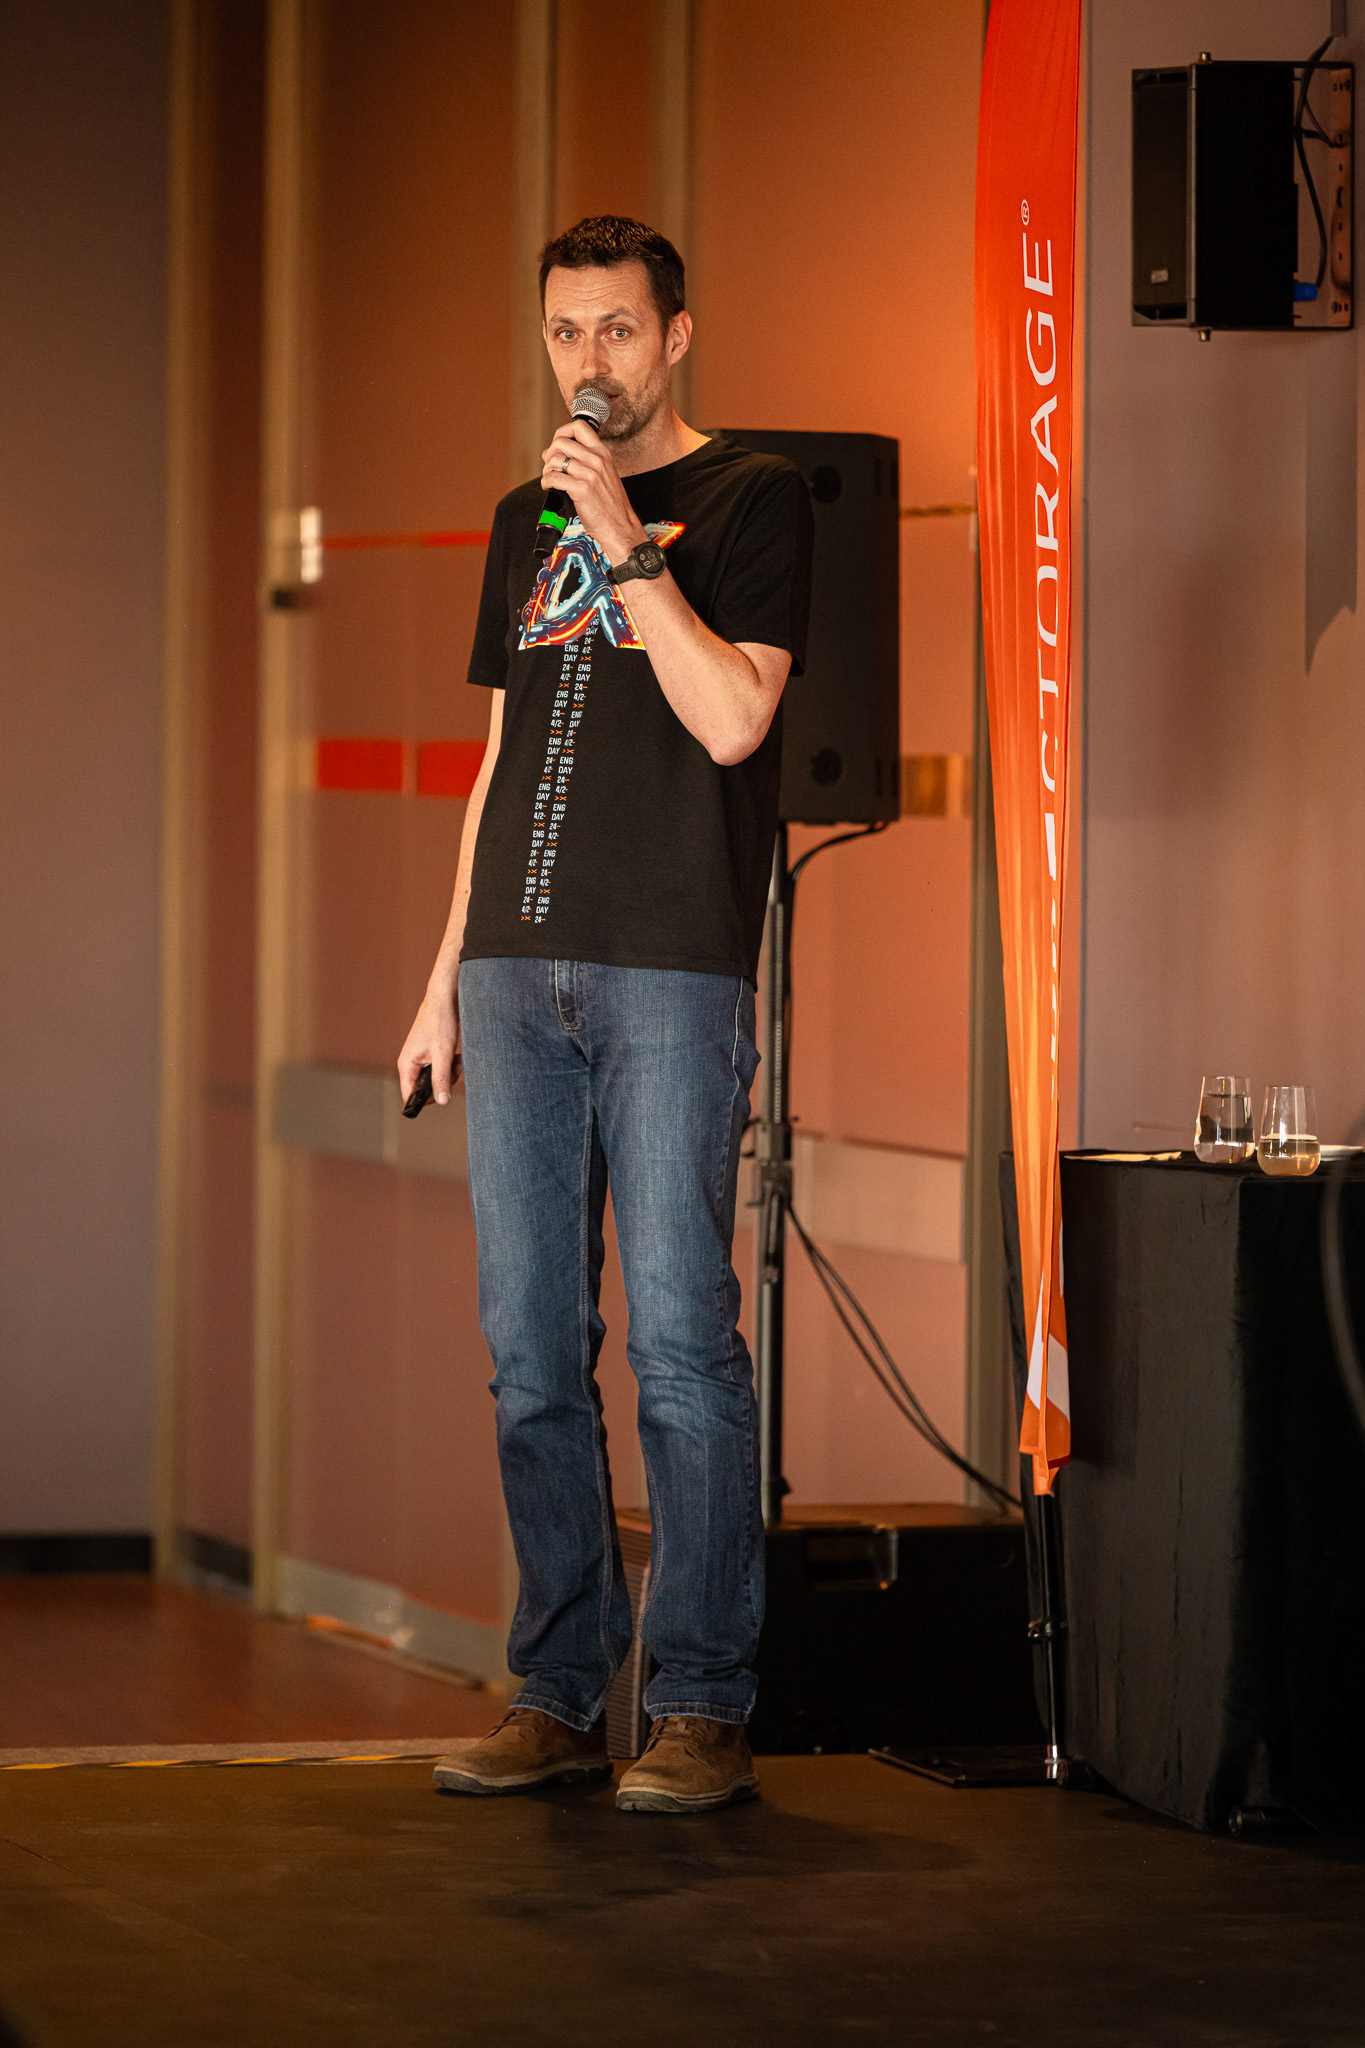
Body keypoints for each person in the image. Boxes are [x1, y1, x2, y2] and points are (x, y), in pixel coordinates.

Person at [400, 216, 812, 1814]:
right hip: (514, 971)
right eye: (566, 331)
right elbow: (500, 763)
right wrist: (442, 977)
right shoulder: (524, 521)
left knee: (680, 1342)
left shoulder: (753, 498)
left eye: (619, 330)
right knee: (527, 1349)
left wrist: (628, 541)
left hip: (668, 969)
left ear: (677, 335)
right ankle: (559, 1691)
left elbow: (732, 720)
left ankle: (699, 1702)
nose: (589, 360)